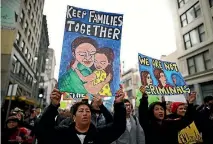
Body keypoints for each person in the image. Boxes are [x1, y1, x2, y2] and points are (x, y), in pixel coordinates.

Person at [36, 85, 126, 144]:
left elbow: (119, 127)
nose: (85, 113)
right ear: (74, 117)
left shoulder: (99, 134)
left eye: (87, 111)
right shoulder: (63, 133)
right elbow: (43, 132)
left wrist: (119, 104)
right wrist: (53, 106)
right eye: (81, 111)